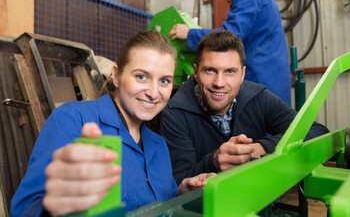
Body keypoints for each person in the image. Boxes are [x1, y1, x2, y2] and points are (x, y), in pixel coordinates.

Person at [10, 31, 214, 217]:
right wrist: (55, 207)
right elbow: (23, 210)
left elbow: (159, 205)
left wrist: (180, 194)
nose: (153, 92)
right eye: (141, 77)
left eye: (164, 81)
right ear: (116, 76)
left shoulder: (158, 144)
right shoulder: (73, 120)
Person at [160, 30, 329, 184]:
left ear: (242, 75)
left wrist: (261, 149)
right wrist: (213, 161)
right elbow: (178, 183)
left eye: (230, 72)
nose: (219, 83)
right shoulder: (174, 114)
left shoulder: (258, 97)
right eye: (210, 70)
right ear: (196, 72)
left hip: (258, 203)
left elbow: (317, 132)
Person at [169, 0, 291, 106]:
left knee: (264, 121)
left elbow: (231, 35)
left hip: (261, 74)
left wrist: (189, 34)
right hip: (270, 71)